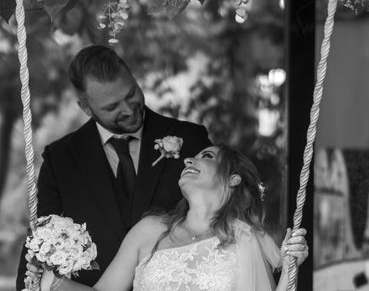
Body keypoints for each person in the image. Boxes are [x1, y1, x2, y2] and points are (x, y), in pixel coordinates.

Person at [16, 45, 212, 290]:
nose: (129, 110)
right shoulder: (61, 160)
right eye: (112, 107)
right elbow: (39, 246)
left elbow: (222, 218)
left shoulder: (191, 139)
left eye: (131, 94)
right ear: (86, 107)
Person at [34, 144, 309, 291]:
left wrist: (289, 268)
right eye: (190, 157)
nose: (189, 160)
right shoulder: (150, 230)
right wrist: (50, 281)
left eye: (207, 156)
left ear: (233, 178)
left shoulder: (246, 239)